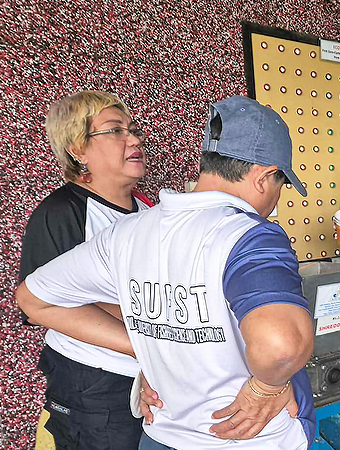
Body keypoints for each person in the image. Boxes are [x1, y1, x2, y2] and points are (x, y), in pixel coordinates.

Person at [17, 96, 316, 449]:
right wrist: (266, 387)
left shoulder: (131, 228)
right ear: (265, 177)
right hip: (241, 438)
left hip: (161, 433)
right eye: (281, 185)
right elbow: (280, 346)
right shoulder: (248, 233)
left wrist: (151, 349)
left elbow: (33, 299)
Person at [18, 90, 150, 449]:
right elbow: (43, 306)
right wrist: (147, 339)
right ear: (78, 149)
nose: (134, 138)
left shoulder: (148, 211)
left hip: (151, 378)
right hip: (93, 388)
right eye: (115, 130)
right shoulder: (62, 212)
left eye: (132, 128)